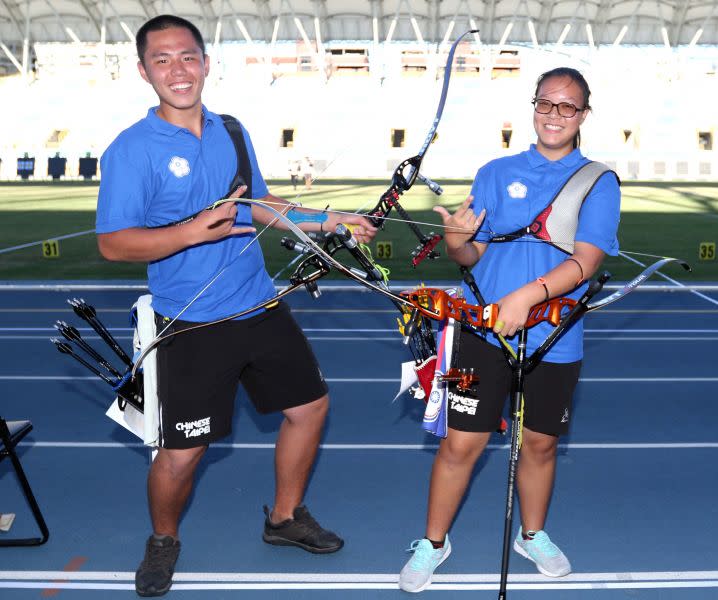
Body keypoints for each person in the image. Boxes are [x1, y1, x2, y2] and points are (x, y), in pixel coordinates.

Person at [95, 15, 377, 598]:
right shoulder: (130, 151)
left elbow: (260, 205)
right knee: (182, 452)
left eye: (188, 56)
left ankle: (284, 516)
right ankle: (164, 541)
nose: (178, 69)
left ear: (205, 61)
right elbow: (113, 243)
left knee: (311, 407)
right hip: (190, 322)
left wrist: (326, 220)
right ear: (144, 71)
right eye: (163, 60)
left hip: (259, 304)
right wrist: (191, 233)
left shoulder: (230, 128)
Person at [398, 67, 620, 592]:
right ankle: (433, 542)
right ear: (534, 107)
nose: (555, 115)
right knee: (459, 443)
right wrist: (456, 239)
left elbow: (585, 262)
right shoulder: (495, 172)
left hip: (553, 337)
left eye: (568, 107)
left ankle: (533, 533)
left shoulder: (598, 181)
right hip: (481, 333)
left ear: (584, 114)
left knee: (540, 445)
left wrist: (527, 296)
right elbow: (470, 256)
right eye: (546, 104)